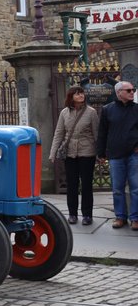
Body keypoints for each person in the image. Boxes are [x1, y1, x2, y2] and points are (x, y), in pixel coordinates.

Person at [51, 84, 100, 225]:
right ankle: (72, 214)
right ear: (71, 97)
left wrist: (100, 153)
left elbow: (96, 133)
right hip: (70, 153)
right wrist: (53, 153)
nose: (81, 96)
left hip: (87, 152)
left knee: (86, 185)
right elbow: (59, 133)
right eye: (77, 94)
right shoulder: (64, 113)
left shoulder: (91, 112)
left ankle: (87, 215)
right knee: (71, 185)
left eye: (82, 93)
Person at [97, 80, 138, 230]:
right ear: (119, 92)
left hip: (134, 155)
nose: (132, 92)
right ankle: (120, 217)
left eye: (133, 90)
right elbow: (102, 132)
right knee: (117, 188)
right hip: (115, 155)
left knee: (136, 188)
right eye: (129, 90)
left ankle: (135, 218)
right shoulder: (108, 109)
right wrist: (100, 153)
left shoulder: (137, 109)